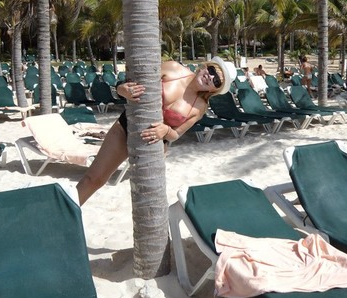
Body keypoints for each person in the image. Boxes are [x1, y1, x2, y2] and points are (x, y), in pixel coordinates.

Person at [76, 57, 236, 205]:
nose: (211, 77)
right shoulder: (173, 69)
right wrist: (121, 90)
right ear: (205, 66)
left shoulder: (200, 107)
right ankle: (67, 212)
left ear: (215, 90)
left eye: (217, 81)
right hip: (127, 127)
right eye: (212, 70)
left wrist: (166, 130)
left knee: (147, 196)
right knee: (95, 179)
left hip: (154, 145)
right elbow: (131, 85)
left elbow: (176, 134)